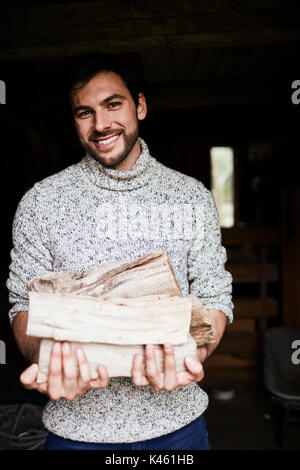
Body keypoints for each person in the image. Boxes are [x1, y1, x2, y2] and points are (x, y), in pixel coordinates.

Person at [6, 53, 233, 450]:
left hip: (178, 431)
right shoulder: (41, 203)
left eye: (113, 105)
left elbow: (216, 296)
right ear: (74, 120)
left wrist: (192, 354)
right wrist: (45, 355)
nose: (101, 125)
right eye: (84, 113)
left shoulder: (192, 198)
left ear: (140, 106)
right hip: (75, 432)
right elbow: (22, 306)